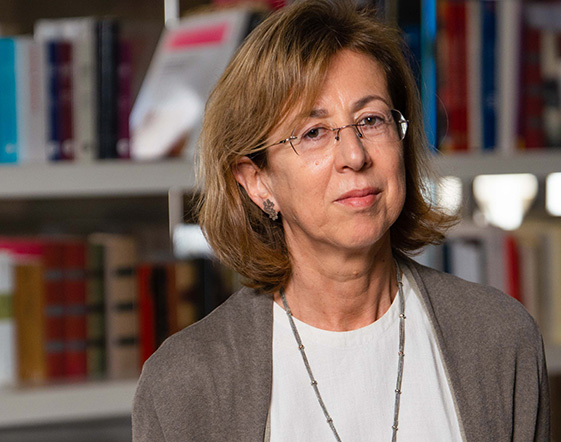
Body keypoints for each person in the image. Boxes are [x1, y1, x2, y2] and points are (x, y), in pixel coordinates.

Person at [132, 1, 550, 441]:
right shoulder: (184, 384)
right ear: (257, 181)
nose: (355, 155)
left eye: (371, 120)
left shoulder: (501, 339)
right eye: (313, 133)